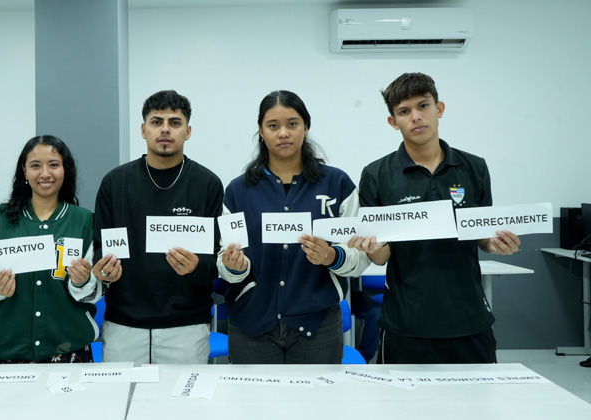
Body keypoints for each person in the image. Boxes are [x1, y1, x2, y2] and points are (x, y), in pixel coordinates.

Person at [349, 72, 521, 364]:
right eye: (404, 111)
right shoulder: (376, 175)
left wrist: (498, 245)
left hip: (469, 319)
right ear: (393, 122)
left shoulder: (474, 167)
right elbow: (381, 257)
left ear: (439, 109)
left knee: (476, 408)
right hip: (406, 322)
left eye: (423, 106)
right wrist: (368, 246)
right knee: (406, 410)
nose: (416, 117)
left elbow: (483, 236)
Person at [217, 90, 370, 364]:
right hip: (252, 323)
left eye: (292, 124)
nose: (283, 133)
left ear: (306, 127)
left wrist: (333, 256)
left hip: (318, 325)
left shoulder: (337, 184)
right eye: (273, 126)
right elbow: (224, 261)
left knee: (315, 405)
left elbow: (360, 258)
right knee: (251, 405)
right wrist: (233, 267)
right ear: (261, 132)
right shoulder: (238, 191)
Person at [93, 90, 223, 366]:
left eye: (175, 122)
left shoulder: (208, 184)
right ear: (143, 130)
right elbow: (99, 248)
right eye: (156, 121)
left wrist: (197, 266)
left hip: (186, 328)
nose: (165, 129)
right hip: (123, 326)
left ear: (188, 132)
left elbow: (217, 261)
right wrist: (102, 270)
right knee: (120, 405)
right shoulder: (115, 183)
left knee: (182, 408)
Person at [0, 135, 100, 363]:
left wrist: (81, 281)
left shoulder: (84, 221)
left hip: (68, 349)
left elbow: (93, 294)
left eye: (54, 165)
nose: (45, 173)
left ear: (65, 170)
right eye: (35, 165)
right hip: (4, 351)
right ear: (24, 171)